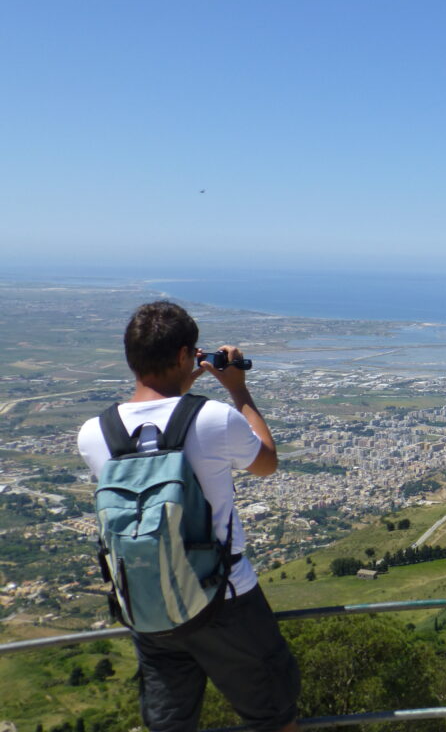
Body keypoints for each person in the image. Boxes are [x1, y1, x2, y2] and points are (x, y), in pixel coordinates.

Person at [77, 301, 300, 732]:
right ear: (185, 356)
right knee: (273, 717)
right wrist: (237, 389)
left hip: (148, 601)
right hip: (226, 599)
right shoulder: (213, 418)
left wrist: (178, 382)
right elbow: (267, 461)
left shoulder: (94, 433)